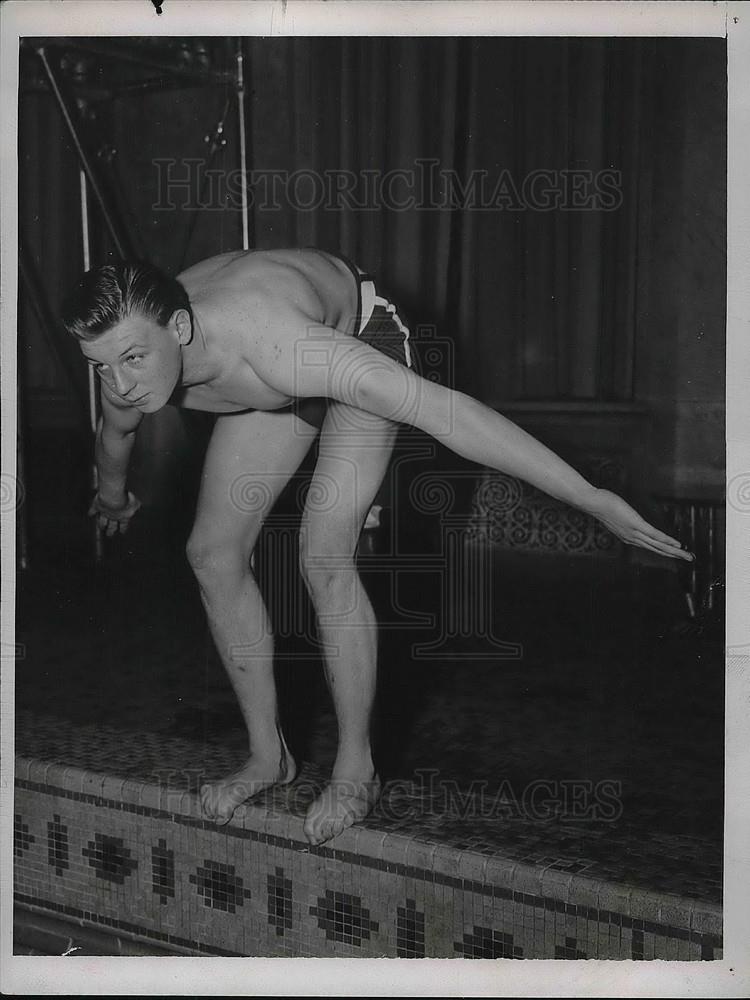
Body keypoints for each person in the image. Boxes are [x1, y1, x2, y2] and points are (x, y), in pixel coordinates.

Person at [62, 248, 693, 847]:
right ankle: (267, 755)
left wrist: (590, 497)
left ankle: (356, 770)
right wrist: (113, 499)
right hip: (260, 375)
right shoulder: (135, 360)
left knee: (323, 555)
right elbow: (114, 437)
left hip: (356, 334)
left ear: (179, 326)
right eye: (101, 366)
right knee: (211, 554)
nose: (119, 383)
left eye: (133, 361)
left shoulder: (282, 348)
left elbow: (448, 413)